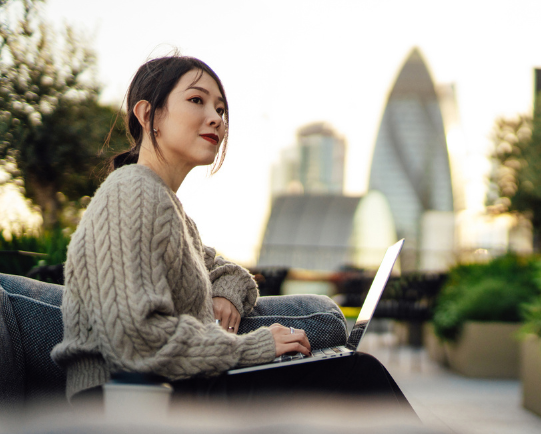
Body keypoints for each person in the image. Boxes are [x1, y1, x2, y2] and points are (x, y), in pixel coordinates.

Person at [50, 55, 415, 416]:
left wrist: (224, 293)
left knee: (342, 374)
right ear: (148, 115)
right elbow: (136, 341)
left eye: (221, 109)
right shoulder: (131, 192)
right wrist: (254, 347)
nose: (216, 118)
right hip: (127, 400)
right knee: (354, 374)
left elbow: (234, 274)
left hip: (165, 388)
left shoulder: (169, 209)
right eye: (197, 100)